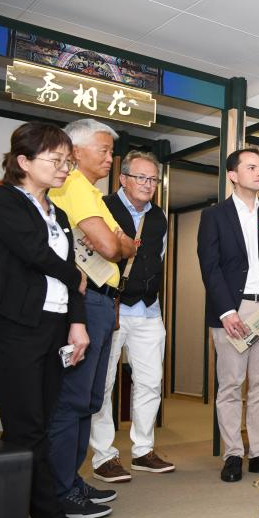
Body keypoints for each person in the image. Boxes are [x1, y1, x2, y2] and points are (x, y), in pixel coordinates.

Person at [0, 123, 89, 518]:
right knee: (26, 428)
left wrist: (77, 324)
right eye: (56, 160)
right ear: (24, 161)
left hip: (53, 327)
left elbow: (73, 278)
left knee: (38, 426)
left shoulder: (59, 214)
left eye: (68, 161)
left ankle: (21, 514)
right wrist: (74, 273)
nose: (64, 168)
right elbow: (34, 253)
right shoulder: (3, 201)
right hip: (14, 327)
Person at [48, 118, 136, 518]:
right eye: (103, 150)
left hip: (103, 299)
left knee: (89, 399)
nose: (109, 158)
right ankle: (59, 489)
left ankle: (72, 478)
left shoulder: (93, 194)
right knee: (73, 398)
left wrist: (119, 243)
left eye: (111, 151)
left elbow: (128, 245)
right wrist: (118, 243)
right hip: (84, 301)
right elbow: (112, 246)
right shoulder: (74, 186)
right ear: (76, 151)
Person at [197, 148, 259, 482]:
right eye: (251, 167)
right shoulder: (214, 216)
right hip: (232, 310)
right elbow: (210, 267)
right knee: (230, 385)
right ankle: (232, 455)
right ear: (233, 175)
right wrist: (226, 311)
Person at [89, 151, 173, 484]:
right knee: (103, 384)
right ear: (123, 178)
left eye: (153, 179)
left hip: (149, 310)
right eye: (141, 177)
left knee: (151, 382)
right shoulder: (103, 207)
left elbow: (158, 258)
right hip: (111, 308)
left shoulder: (159, 217)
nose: (148, 184)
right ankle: (103, 456)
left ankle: (143, 451)